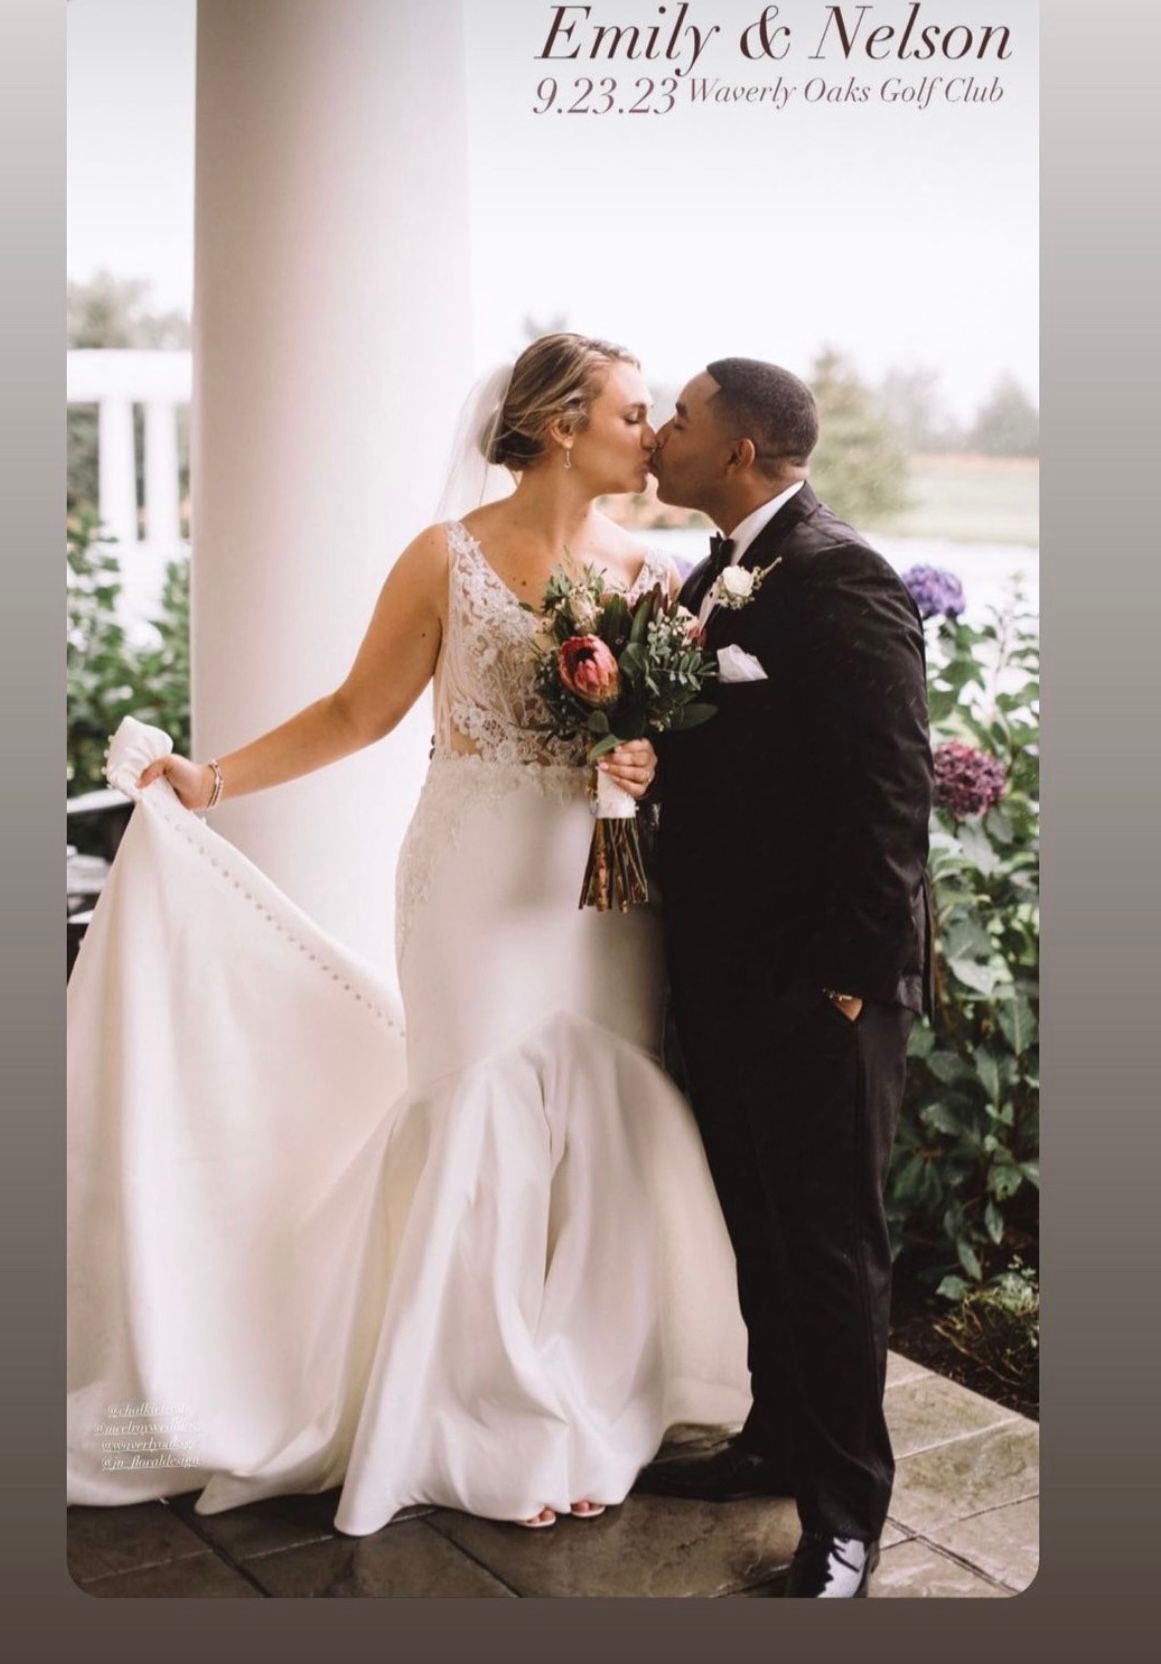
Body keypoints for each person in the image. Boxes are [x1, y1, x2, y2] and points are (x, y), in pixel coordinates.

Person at [66, 334, 752, 1536]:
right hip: (473, 876)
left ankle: (579, 1395)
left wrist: (645, 759)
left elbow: (688, 743)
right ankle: (476, 1409)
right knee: (478, 1106)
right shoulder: (443, 560)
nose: (653, 435)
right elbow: (356, 709)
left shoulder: (652, 573)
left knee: (605, 1112)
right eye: (635, 412)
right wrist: (211, 779)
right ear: (559, 426)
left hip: (603, 885)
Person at [638, 358, 934, 1596]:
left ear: (745, 452)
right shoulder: (716, 572)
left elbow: (889, 797)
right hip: (721, 970)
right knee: (759, 1223)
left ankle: (846, 1519)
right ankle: (772, 1437)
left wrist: (855, 981)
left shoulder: (840, 574)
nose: (659, 433)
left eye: (682, 420)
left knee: (830, 1249)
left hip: (821, 988)